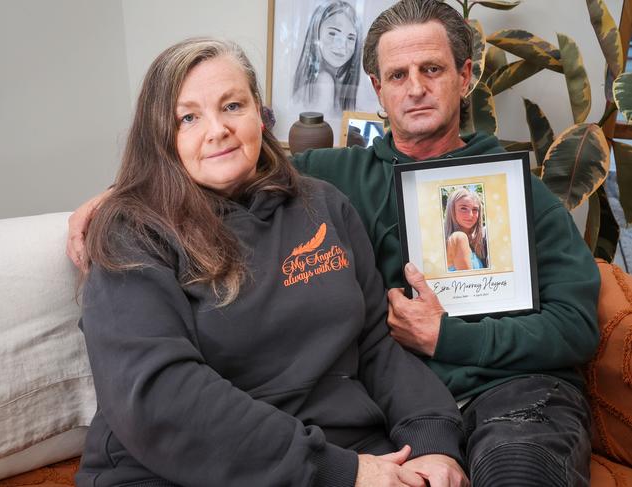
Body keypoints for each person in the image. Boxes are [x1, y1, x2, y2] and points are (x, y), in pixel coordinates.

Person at [68, 1, 600, 485]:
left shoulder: (511, 191)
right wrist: (125, 193)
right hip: (335, 441)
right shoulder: (331, 175)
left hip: (504, 397)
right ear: (376, 86)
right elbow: (213, 163)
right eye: (398, 74)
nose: (414, 87)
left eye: (431, 69)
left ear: (465, 77)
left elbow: (575, 325)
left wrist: (444, 377)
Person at [74, 37, 468, 487]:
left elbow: (378, 344)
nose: (217, 129)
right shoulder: (132, 233)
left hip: (353, 453)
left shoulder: (324, 204)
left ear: (260, 114)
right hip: (183, 471)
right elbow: (160, 398)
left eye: (233, 105)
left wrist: (434, 442)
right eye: (188, 117)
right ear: (161, 136)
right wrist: (342, 472)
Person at [293, 0, 362, 111]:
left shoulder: (318, 79)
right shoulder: (324, 82)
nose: (342, 46)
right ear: (316, 32)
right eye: (333, 33)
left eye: (350, 38)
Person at [443, 187, 488, 271]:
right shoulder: (459, 237)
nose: (470, 215)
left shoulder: (474, 243)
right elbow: (470, 283)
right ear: (452, 210)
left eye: (475, 209)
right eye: (463, 208)